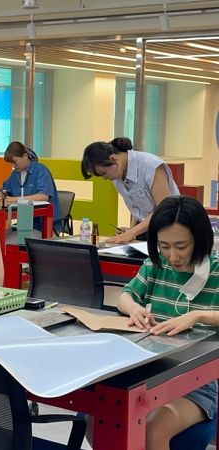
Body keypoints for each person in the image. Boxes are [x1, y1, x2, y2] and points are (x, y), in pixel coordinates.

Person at [116, 195, 218, 450]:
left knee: (152, 432)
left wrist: (197, 316)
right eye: (164, 246)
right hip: (151, 371)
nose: (173, 256)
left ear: (200, 239)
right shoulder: (155, 265)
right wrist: (134, 309)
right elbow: (124, 296)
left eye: (181, 246)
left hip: (199, 380)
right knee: (103, 421)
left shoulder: (215, 271)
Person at [81, 137, 180, 244]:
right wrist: (130, 231)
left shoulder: (150, 166)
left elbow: (164, 209)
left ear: (113, 159)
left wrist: (132, 233)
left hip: (171, 229)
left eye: (103, 173)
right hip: (147, 230)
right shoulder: (118, 174)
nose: (104, 178)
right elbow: (137, 207)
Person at [0, 141, 62, 233]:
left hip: (43, 224)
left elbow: (43, 196)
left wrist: (13, 199)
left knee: (5, 237)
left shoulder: (41, 171)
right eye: (11, 163)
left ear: (25, 156)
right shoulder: (16, 174)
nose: (13, 166)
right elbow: (5, 190)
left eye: (15, 162)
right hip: (25, 223)